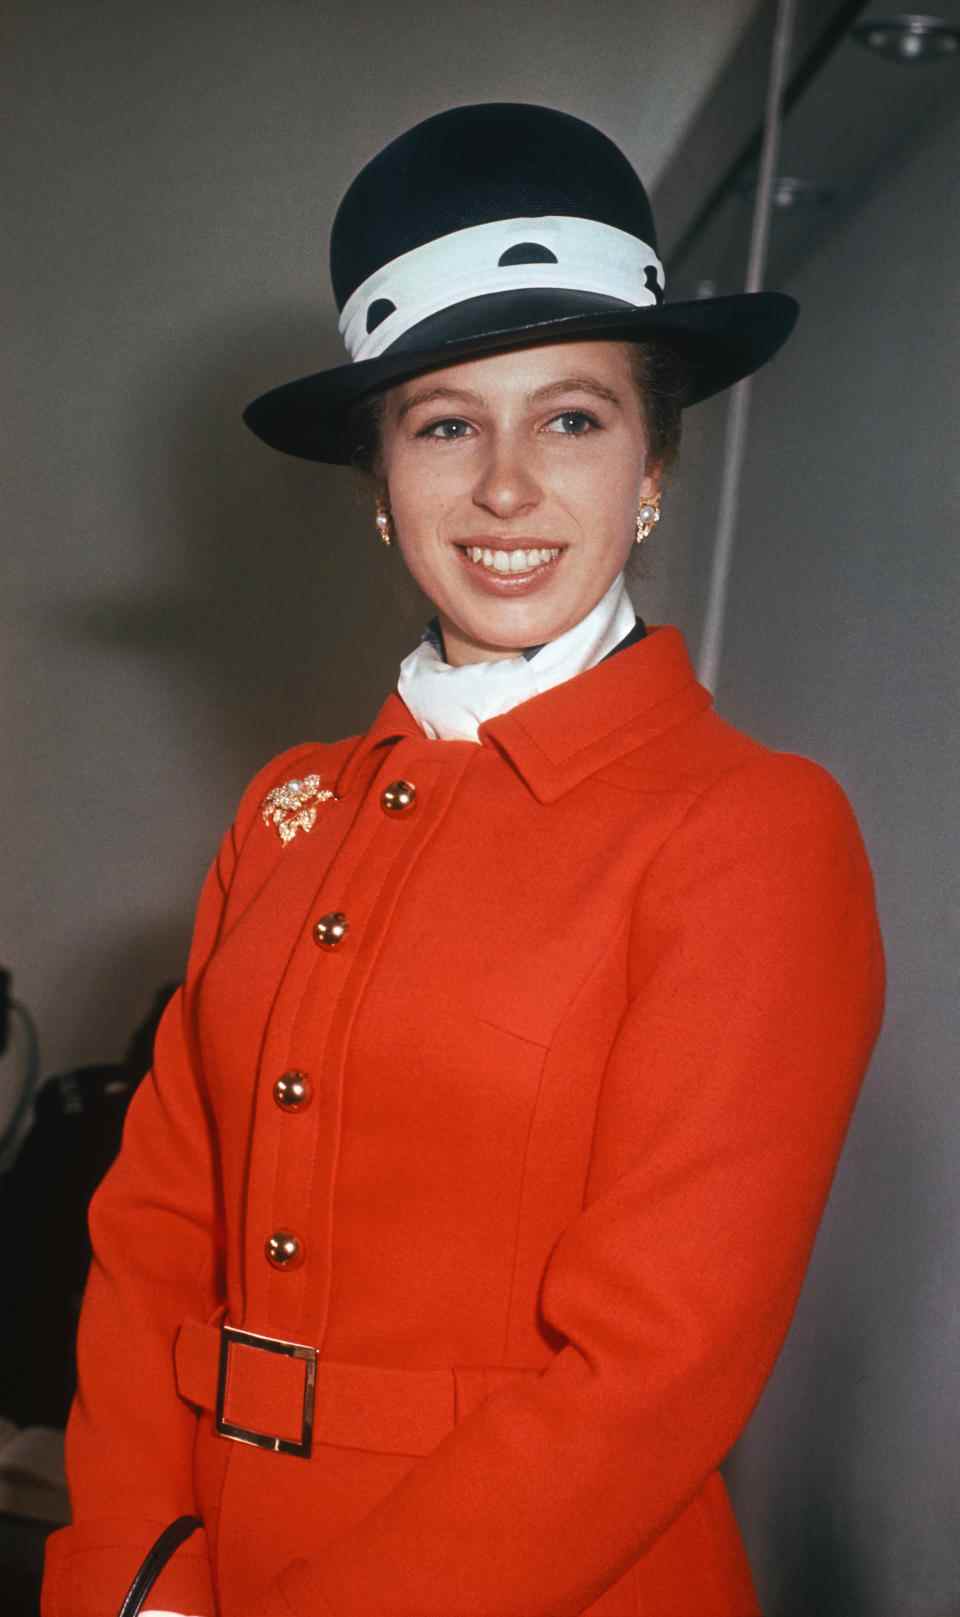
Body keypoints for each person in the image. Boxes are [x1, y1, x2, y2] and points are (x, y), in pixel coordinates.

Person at [41, 103, 885, 1617]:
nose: (505, 486)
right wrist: (137, 1574)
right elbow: (157, 1231)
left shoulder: (754, 829)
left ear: (652, 471)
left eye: (571, 417)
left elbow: (655, 1370)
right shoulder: (287, 809)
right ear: (379, 485)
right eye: (445, 422)